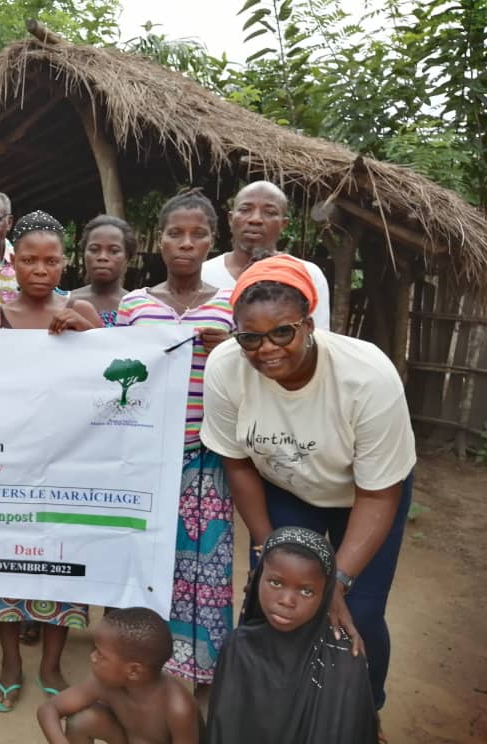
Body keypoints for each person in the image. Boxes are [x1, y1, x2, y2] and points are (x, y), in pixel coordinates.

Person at [200, 254, 416, 723]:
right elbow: (236, 462)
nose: (267, 348)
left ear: (310, 324)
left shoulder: (367, 376)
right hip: (287, 489)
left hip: (366, 494)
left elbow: (380, 493)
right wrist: (264, 544)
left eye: (283, 332)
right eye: (250, 337)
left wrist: (336, 580)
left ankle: (362, 713)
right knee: (273, 596)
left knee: (356, 609)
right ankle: (263, 711)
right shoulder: (225, 367)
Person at [0, 211, 100, 714]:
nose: (40, 269)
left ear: (65, 262)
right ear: (12, 263)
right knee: (4, 563)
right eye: (28, 260)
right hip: (7, 464)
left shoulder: (82, 311)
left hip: (69, 460)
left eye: (50, 260)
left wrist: (84, 333)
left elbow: (109, 378)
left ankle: (50, 664)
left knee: (61, 562)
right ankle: (9, 664)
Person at [116, 189, 234, 691]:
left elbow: (260, 372)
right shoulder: (134, 306)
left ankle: (200, 669)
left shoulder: (232, 307)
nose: (185, 244)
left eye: (197, 234)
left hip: (205, 456)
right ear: (157, 242)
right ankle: (132, 662)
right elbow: (107, 377)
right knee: (138, 560)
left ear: (212, 240)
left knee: (202, 566)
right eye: (174, 233)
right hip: (141, 457)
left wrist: (234, 349)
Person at [205, 527, 379, 743]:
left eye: (306, 591)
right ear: (257, 578)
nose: (287, 600)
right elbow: (222, 730)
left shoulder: (344, 663)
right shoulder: (238, 647)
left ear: (326, 595)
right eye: (276, 583)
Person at [37, 607, 201, 744]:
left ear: (134, 671)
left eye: (101, 655)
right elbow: (49, 709)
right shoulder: (103, 683)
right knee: (81, 720)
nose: (93, 657)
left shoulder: (178, 708)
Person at [200, 181, 330, 329]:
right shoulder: (203, 274)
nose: (255, 219)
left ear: (283, 224)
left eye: (269, 212)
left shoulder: (307, 274)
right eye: (245, 209)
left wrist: (232, 346)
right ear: (230, 219)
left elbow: (319, 339)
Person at [69, 215, 137, 327]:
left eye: (114, 251)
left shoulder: (139, 307)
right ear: (84, 254)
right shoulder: (64, 302)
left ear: (127, 257)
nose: (102, 257)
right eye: (94, 249)